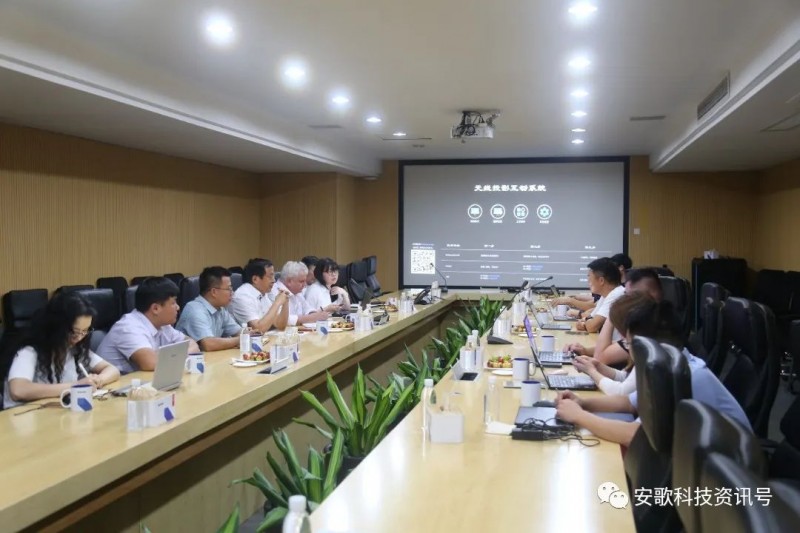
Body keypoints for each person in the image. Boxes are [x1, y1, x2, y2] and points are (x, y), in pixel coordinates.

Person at [555, 297, 751, 447]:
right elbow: (630, 402)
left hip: (729, 474)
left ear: (647, 346)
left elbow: (634, 435)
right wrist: (583, 403)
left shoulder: (684, 375)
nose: (629, 350)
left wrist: (579, 416)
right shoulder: (671, 362)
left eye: (629, 344)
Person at [3, 292, 120, 409]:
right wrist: (77, 385)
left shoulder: (75, 349)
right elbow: (18, 390)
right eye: (74, 331)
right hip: (22, 415)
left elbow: (112, 369)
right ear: (57, 326)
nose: (79, 338)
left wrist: (97, 380)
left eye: (85, 331)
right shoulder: (29, 351)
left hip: (54, 412)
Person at [97, 277, 199, 374]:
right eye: (173, 303)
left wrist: (178, 354)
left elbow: (192, 344)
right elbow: (151, 363)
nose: (178, 307)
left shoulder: (163, 325)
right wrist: (181, 354)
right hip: (116, 384)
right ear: (155, 308)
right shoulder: (128, 327)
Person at [567, 268, 664, 365]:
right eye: (627, 296)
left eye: (634, 296)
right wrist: (585, 351)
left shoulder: (656, 328)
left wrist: (613, 311)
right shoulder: (643, 323)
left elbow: (600, 357)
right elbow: (621, 344)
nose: (629, 301)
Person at [570, 292, 651, 396]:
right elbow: (625, 378)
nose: (623, 339)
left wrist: (592, 371)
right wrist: (597, 366)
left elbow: (621, 392)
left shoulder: (647, 351)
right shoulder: (645, 343)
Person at [176, 266, 242, 351]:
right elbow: (209, 344)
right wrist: (240, 339)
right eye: (229, 289)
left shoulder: (220, 308)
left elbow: (238, 332)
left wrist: (247, 334)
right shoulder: (195, 310)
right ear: (214, 292)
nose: (232, 292)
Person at [229, 258, 289, 333]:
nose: (274, 280)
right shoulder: (242, 296)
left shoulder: (263, 293)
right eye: (270, 276)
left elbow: (281, 325)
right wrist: (277, 302)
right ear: (255, 279)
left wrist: (285, 302)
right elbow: (258, 330)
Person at [574, 257, 625, 333]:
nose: (588, 281)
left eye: (589, 276)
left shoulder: (616, 295)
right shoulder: (606, 295)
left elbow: (592, 326)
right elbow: (590, 317)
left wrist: (584, 325)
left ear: (601, 280)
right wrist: (586, 322)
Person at [271, 261, 330, 326]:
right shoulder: (274, 292)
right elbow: (282, 319)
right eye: (301, 281)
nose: (304, 285)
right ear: (289, 281)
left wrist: (316, 314)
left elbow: (307, 308)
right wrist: (312, 318)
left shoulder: (297, 292)